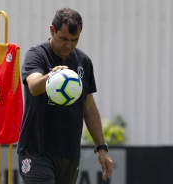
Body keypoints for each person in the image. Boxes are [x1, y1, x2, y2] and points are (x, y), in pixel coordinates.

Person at [17, 7, 113, 184]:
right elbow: (33, 86)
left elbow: (89, 107)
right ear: (52, 30)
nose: (68, 45)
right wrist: (52, 76)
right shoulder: (36, 55)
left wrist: (101, 148)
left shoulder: (84, 62)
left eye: (74, 40)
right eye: (64, 39)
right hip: (36, 151)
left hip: (69, 154)